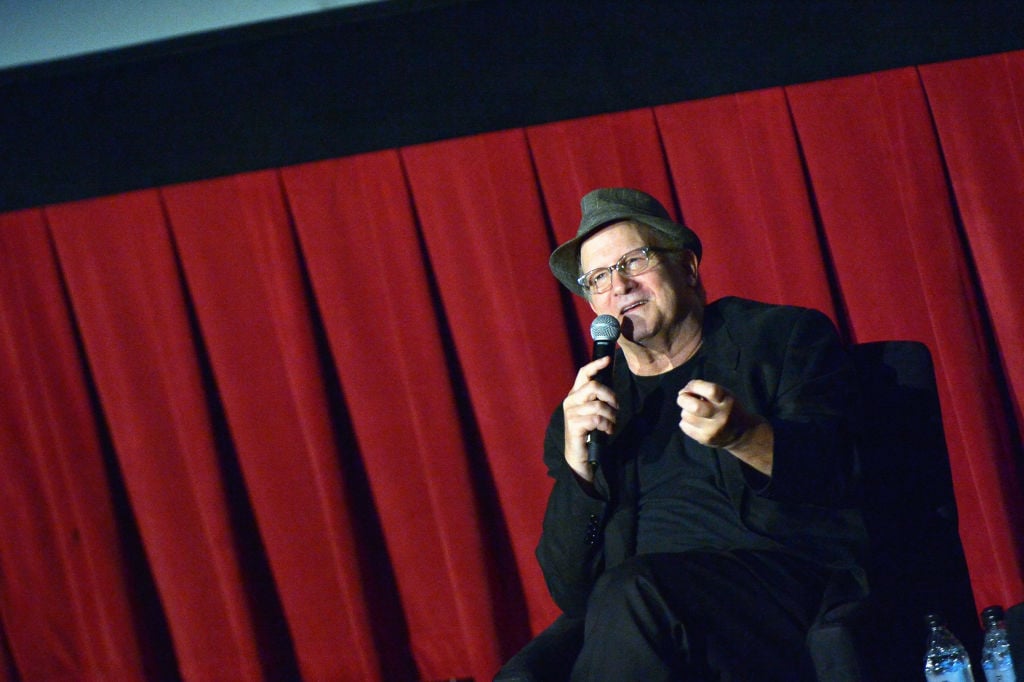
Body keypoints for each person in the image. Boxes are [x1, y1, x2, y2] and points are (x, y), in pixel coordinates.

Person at [535, 188, 868, 680]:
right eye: (598, 277)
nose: (619, 285)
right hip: (644, 614)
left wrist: (745, 436)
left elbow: (840, 476)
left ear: (687, 268)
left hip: (782, 589)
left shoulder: (780, 339)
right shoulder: (590, 406)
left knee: (634, 593)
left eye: (634, 260)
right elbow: (570, 591)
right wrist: (580, 475)